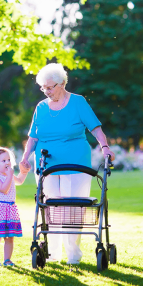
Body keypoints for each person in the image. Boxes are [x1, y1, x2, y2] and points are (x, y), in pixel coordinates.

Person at [20, 63, 116, 265]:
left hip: (76, 163)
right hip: (47, 165)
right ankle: (53, 254)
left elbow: (96, 128)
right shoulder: (41, 107)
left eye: (50, 87)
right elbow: (33, 137)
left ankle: (73, 255)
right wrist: (25, 157)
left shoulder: (78, 103)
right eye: (43, 88)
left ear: (62, 83)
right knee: (50, 208)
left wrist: (105, 147)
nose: (46, 92)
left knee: (72, 208)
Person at [0, 146, 31, 266]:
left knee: (10, 237)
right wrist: (9, 176)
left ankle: (7, 259)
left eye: (8, 160)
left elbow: (19, 181)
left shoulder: (8, 175)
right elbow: (4, 189)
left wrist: (24, 172)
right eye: (3, 161)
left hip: (10, 209)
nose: (7, 162)